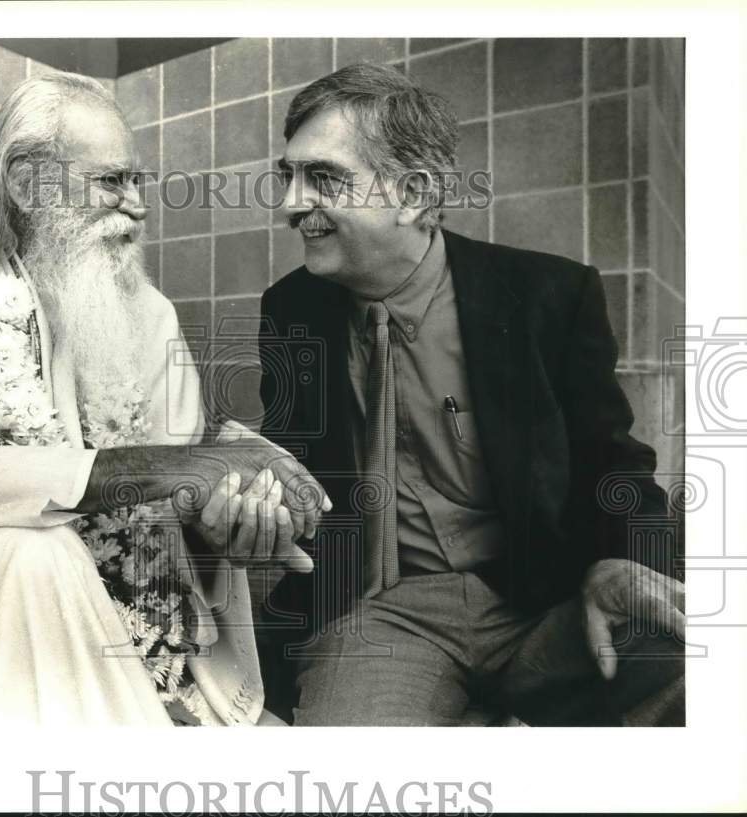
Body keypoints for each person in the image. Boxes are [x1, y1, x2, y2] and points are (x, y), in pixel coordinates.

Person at [0, 71, 329, 727]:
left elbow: (177, 498)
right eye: (112, 181)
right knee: (31, 549)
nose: (138, 205)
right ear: (25, 184)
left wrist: (224, 518)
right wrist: (170, 469)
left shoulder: (149, 312)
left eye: (138, 182)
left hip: (150, 628)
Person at [255, 63, 685, 726]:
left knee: (694, 663)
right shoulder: (291, 310)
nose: (289, 203)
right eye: (288, 175)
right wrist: (248, 500)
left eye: (323, 178)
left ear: (413, 192)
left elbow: (612, 458)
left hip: (547, 598)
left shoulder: (549, 296)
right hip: (382, 616)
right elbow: (292, 469)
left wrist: (623, 560)